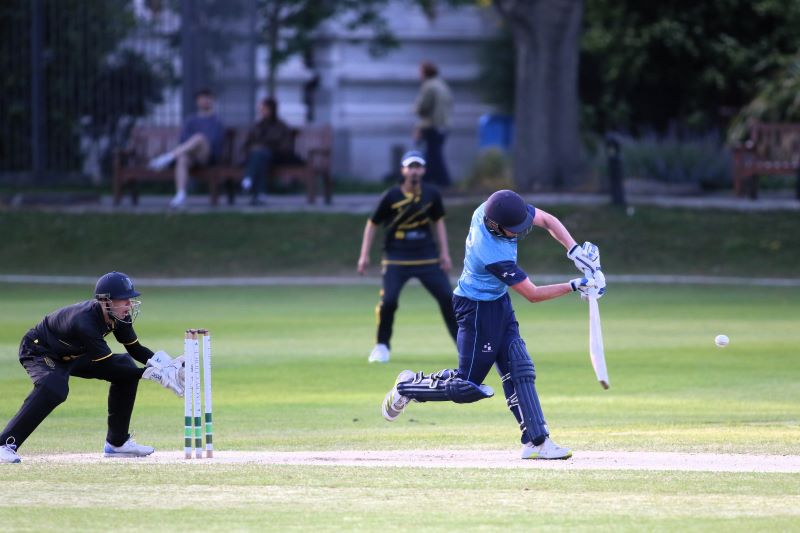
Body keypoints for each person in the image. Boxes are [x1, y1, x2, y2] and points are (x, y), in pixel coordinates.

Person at [380, 190, 607, 460]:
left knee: (520, 367)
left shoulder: (496, 208)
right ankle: (407, 387)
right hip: (475, 310)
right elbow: (532, 294)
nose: (520, 231)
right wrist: (575, 285)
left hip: (498, 302)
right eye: (514, 229)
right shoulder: (491, 252)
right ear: (495, 226)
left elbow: (547, 220)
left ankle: (537, 442)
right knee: (467, 386)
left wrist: (575, 251)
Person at [0, 272, 184, 464]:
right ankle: (4, 444)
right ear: (106, 301)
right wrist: (148, 373)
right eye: (124, 299)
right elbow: (107, 365)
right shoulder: (84, 321)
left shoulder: (119, 317)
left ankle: (117, 444)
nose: (129, 304)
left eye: (130, 299)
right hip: (40, 350)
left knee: (125, 365)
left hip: (73, 353)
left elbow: (135, 349)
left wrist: (167, 365)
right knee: (53, 387)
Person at [357, 150, 458, 363]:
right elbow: (372, 223)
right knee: (389, 301)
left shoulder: (431, 194)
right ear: (403, 170)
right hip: (396, 257)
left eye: (418, 167)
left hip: (427, 257)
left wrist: (445, 253)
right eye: (410, 167)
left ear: (423, 170)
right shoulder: (391, 196)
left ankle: (463, 346)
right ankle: (382, 346)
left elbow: (439, 222)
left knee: (448, 298)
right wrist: (364, 255)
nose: (414, 171)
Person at [149, 88, 225, 208]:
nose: (205, 100)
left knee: (199, 137)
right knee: (182, 159)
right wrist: (191, 147)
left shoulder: (217, 121)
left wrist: (196, 143)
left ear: (212, 100)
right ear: (197, 101)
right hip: (190, 155)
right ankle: (180, 194)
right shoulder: (190, 120)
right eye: (202, 98)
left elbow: (214, 142)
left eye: (207, 98)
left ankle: (168, 157)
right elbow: (183, 140)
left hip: (207, 156)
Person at [240, 97, 298, 206]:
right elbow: (247, 144)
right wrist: (254, 148)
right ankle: (260, 195)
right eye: (261, 109)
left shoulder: (281, 126)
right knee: (259, 158)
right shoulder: (257, 126)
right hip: (257, 157)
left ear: (271, 109)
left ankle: (247, 181)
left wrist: (265, 147)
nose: (261, 111)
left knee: (260, 155)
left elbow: (286, 146)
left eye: (264, 109)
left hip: (276, 156)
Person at [413, 61, 453, 188]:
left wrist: (415, 109)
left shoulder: (428, 86)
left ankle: (440, 182)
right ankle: (436, 182)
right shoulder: (442, 85)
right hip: (443, 125)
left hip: (431, 126)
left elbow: (423, 107)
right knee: (435, 155)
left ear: (425, 72)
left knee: (432, 156)